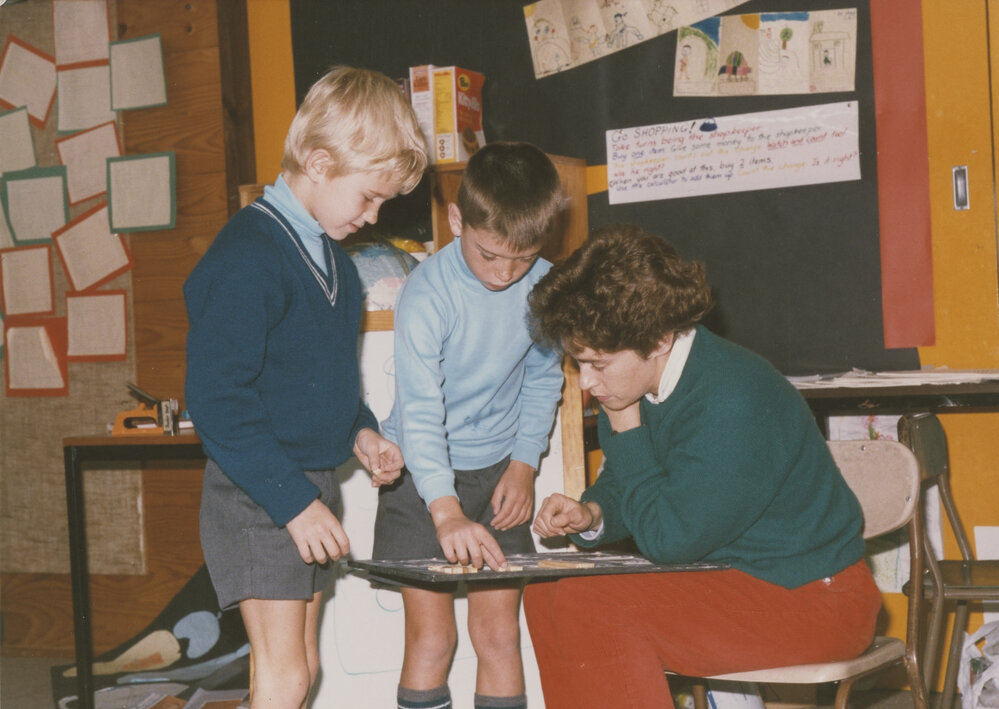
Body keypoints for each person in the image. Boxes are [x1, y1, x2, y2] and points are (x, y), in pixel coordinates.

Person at [521, 224, 883, 709]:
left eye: (598, 363)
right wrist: (594, 515)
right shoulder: (634, 385)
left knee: (588, 608)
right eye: (578, 362)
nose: (587, 382)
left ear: (657, 340)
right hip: (739, 576)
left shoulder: (732, 397)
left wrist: (627, 429)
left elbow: (669, 539)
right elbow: (637, 486)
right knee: (545, 596)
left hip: (816, 597)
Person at [183, 66, 427, 709]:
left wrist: (362, 430)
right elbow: (217, 402)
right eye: (369, 197)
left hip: (304, 487)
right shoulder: (247, 255)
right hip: (258, 492)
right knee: (284, 675)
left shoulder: (337, 269)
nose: (373, 216)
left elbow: (319, 383)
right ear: (319, 163)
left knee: (302, 669)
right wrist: (294, 503)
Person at [373, 142, 567, 709]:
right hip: (420, 480)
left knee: (500, 636)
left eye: (524, 258)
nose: (506, 274)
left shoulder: (545, 286)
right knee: (433, 638)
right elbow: (421, 411)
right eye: (489, 255)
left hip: (497, 474)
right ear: (457, 221)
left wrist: (525, 463)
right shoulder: (427, 295)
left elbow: (542, 379)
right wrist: (446, 509)